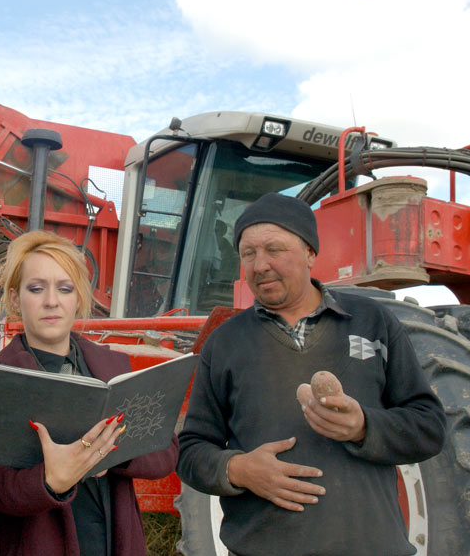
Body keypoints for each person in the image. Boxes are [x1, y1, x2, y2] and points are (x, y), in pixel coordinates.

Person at [176, 192, 447, 556]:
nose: (259, 266)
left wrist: (364, 427)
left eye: (275, 249)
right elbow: (191, 452)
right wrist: (239, 469)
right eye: (248, 254)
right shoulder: (224, 343)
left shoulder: (374, 322)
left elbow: (429, 428)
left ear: (310, 254)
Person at [0, 230, 178, 556]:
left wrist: (113, 451)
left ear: (78, 298)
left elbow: (165, 450)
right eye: (36, 288)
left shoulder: (114, 366)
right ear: (14, 298)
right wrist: (50, 480)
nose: (52, 301)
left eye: (65, 289)